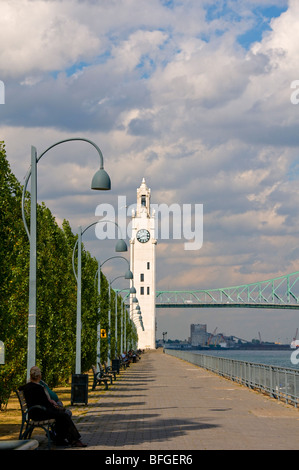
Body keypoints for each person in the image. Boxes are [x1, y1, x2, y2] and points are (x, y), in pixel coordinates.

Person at [19, 366, 86, 447]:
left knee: (61, 415)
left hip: (34, 412)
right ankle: (73, 440)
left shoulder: (27, 387)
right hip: (39, 413)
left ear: (31, 376)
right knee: (64, 415)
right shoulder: (38, 388)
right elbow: (45, 403)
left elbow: (21, 388)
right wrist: (55, 406)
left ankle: (60, 439)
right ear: (39, 376)